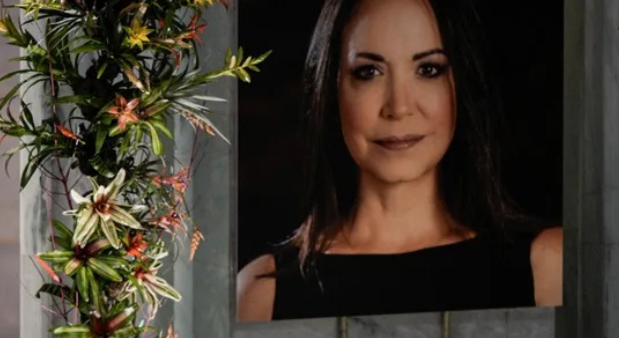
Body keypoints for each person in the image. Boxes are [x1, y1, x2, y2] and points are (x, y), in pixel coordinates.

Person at [237, 0, 563, 321]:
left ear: (460, 85)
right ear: (332, 89)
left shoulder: (547, 268)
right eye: (369, 72)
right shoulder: (262, 295)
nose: (399, 106)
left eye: (428, 69)